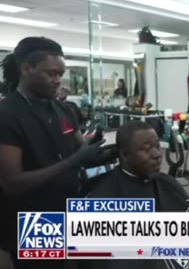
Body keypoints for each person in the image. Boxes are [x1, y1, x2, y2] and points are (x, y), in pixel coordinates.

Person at [0, 37, 109, 269]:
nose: (58, 81)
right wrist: (74, 161)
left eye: (61, 74)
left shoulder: (63, 108)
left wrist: (111, 153)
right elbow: (12, 183)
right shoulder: (7, 115)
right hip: (32, 217)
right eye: (51, 74)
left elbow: (81, 149)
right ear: (26, 69)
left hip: (70, 205)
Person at [80, 121, 189, 269]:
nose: (157, 155)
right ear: (124, 155)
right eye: (146, 149)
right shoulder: (102, 200)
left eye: (157, 146)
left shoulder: (168, 183)